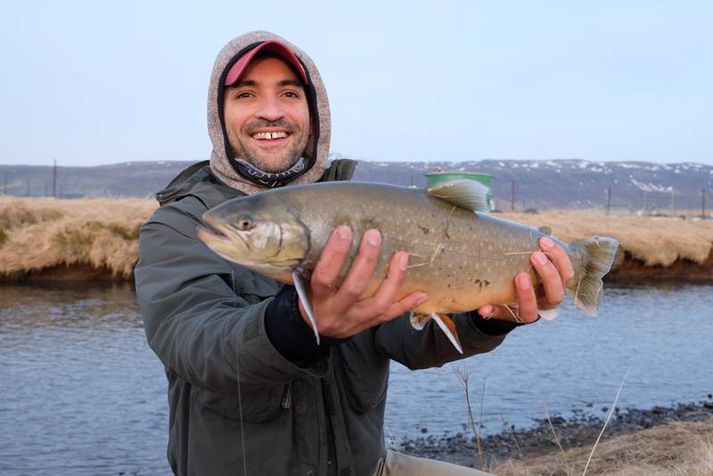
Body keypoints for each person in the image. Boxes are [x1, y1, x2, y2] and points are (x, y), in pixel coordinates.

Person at [135, 30, 574, 476]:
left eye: (289, 93)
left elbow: (410, 338)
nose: (271, 110)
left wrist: (489, 317)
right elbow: (195, 344)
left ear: (315, 112)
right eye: (246, 94)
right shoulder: (183, 226)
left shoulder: (358, 213)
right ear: (219, 114)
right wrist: (298, 323)